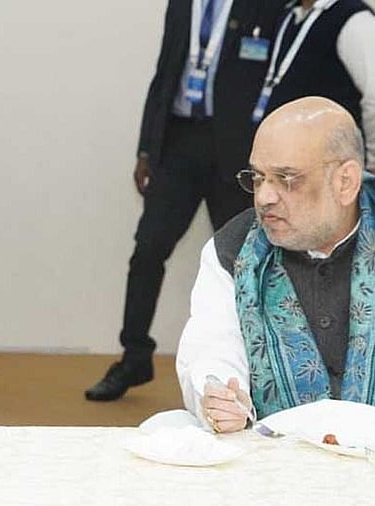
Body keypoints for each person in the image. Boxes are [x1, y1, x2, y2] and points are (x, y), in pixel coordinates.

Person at [85, 0, 286, 401]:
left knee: (244, 261)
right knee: (148, 250)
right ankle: (134, 357)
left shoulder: (265, 5)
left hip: (235, 151)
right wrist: (147, 149)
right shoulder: (181, 4)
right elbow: (164, 72)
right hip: (179, 143)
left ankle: (255, 366)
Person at [176, 97, 374, 433]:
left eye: (287, 178)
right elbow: (212, 347)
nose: (264, 197)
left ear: (345, 182)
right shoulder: (233, 250)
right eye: (258, 178)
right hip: (273, 453)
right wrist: (220, 394)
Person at [251, 0, 375, 171]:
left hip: (329, 165)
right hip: (286, 160)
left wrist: (372, 164)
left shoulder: (356, 19)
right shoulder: (289, 13)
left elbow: (373, 96)